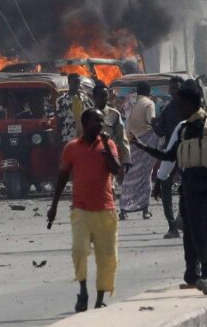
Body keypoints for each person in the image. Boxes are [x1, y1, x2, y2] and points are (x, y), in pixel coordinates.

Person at [137, 86, 207, 295]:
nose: (177, 109)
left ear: (191, 104)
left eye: (180, 104)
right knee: (194, 237)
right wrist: (140, 145)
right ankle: (202, 274)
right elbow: (169, 156)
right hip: (189, 193)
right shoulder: (183, 130)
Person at [47, 109, 123, 312]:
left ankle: (99, 299)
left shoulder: (109, 144)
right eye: (96, 121)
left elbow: (116, 169)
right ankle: (83, 290)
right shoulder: (71, 148)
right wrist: (53, 206)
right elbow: (62, 178)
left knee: (107, 257)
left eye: (102, 121)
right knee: (79, 250)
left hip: (106, 210)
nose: (101, 124)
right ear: (85, 123)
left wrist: (106, 145)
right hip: (80, 210)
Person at [152, 77, 185, 238]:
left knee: (189, 189)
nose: (174, 91)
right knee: (165, 189)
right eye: (172, 88)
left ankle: (184, 220)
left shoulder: (190, 108)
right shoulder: (166, 109)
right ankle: (172, 226)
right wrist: (154, 125)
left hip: (187, 153)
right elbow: (161, 132)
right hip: (170, 153)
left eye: (177, 88)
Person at [120, 82, 156, 220]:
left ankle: (123, 208)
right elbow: (150, 121)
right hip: (143, 142)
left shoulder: (130, 102)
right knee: (146, 175)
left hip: (129, 142)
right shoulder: (149, 104)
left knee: (129, 176)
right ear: (149, 91)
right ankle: (145, 209)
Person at [93, 82, 129, 169]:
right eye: (101, 95)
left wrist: (126, 159)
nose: (104, 98)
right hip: (92, 156)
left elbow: (122, 138)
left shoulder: (114, 114)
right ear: (94, 97)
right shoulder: (87, 114)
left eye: (106, 95)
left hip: (109, 156)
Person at [56, 73, 92, 143]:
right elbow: (59, 119)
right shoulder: (61, 100)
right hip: (69, 135)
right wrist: (59, 137)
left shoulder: (83, 97)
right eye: (75, 83)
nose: (77, 85)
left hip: (84, 135)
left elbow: (90, 112)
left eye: (78, 83)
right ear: (69, 82)